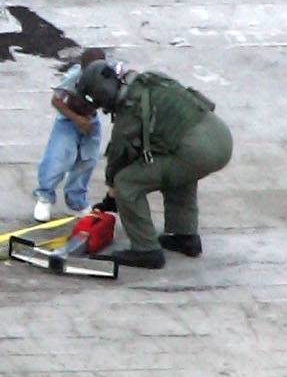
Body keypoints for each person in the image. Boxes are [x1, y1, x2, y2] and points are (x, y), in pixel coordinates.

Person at [76, 58, 232, 269]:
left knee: (127, 183)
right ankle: (184, 235)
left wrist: (111, 197)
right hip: (219, 137)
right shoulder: (151, 80)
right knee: (176, 166)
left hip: (198, 152)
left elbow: (120, 154)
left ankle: (145, 250)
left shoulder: (131, 106)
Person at [32, 47, 106, 223]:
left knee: (87, 161)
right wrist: (77, 119)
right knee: (57, 158)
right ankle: (45, 197)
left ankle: (77, 202)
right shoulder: (73, 78)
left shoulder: (107, 76)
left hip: (91, 120)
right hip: (68, 119)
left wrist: (88, 119)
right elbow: (56, 100)